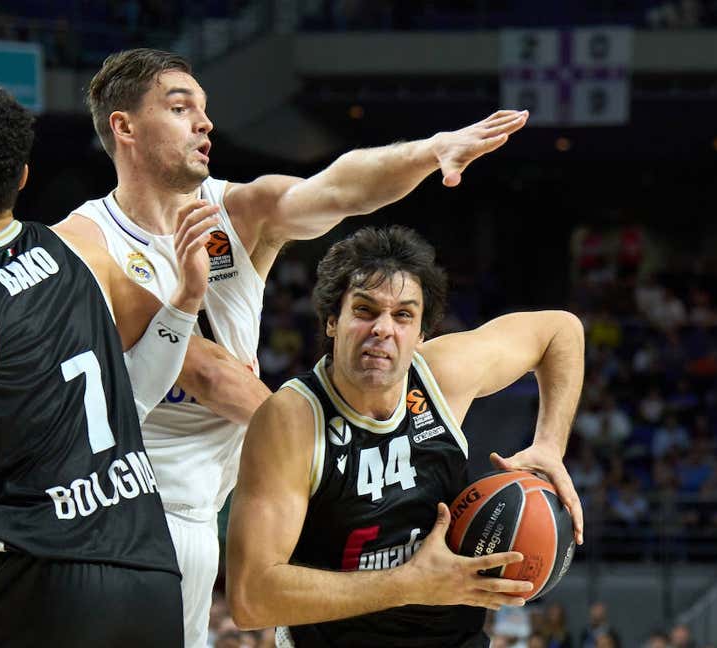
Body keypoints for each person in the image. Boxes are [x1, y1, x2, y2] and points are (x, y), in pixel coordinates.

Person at [59, 47, 532, 648]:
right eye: (181, 109)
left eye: (204, 110)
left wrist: (429, 150)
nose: (205, 123)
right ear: (123, 127)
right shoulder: (84, 241)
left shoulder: (238, 211)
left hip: (200, 516)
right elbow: (208, 374)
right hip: (119, 508)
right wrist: (333, 451)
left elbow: (337, 190)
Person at [0, 80, 218, 647]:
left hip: (38, 579)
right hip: (150, 577)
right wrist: (183, 304)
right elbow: (133, 399)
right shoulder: (84, 251)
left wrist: (31, 493)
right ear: (23, 176)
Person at [226, 226, 586, 647]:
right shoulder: (293, 419)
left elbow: (561, 331)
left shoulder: (441, 377)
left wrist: (549, 446)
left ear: (420, 335)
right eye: (364, 310)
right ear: (331, 320)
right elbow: (251, 597)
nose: (383, 329)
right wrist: (409, 584)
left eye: (402, 316)